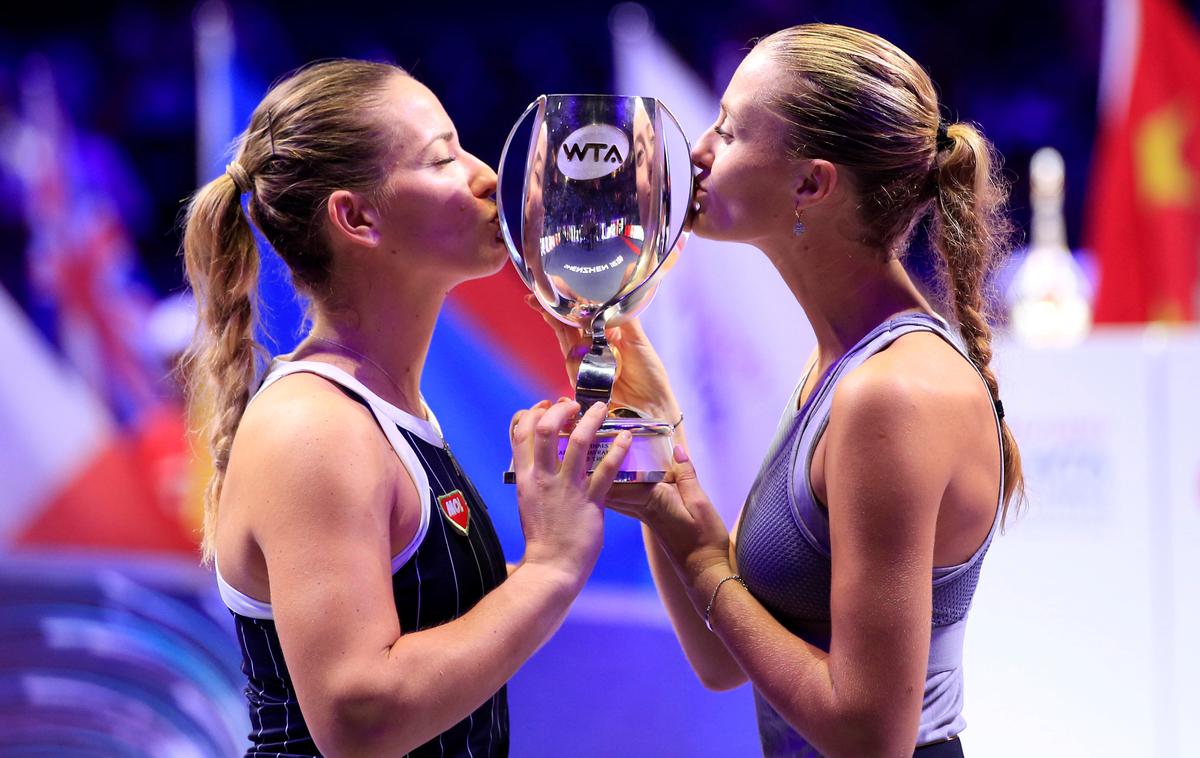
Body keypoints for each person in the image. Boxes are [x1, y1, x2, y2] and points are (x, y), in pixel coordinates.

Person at [536, 23, 1023, 756]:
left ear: (810, 183)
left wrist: (705, 562)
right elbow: (724, 661)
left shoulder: (890, 394)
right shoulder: (841, 364)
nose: (696, 152)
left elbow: (869, 735)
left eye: (728, 133)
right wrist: (660, 449)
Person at [180, 59, 632, 757]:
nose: (485, 176)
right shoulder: (314, 426)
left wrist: (556, 533)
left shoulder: (385, 407)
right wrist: (549, 569)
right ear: (356, 217)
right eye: (443, 157)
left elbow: (426, 623)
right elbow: (359, 718)